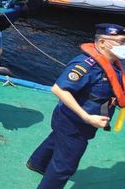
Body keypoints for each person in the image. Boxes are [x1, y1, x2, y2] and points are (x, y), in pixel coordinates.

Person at [27, 23, 125, 189]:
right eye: (121, 42)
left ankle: (37, 163)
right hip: (75, 123)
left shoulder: (113, 63)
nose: (123, 46)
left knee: (55, 138)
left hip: (75, 121)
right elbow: (58, 89)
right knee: (65, 166)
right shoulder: (86, 66)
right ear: (102, 43)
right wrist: (87, 117)